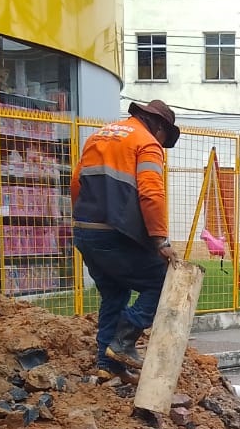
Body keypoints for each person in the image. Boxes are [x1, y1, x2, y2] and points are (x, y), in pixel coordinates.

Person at [71, 99, 180, 379]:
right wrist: (160, 241)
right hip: (114, 233)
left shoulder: (99, 136)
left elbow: (76, 183)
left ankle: (106, 365)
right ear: (159, 126)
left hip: (85, 230)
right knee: (162, 281)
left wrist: (83, 222)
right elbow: (151, 193)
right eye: (164, 138)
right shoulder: (147, 143)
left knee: (114, 293)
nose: (162, 143)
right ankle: (123, 340)